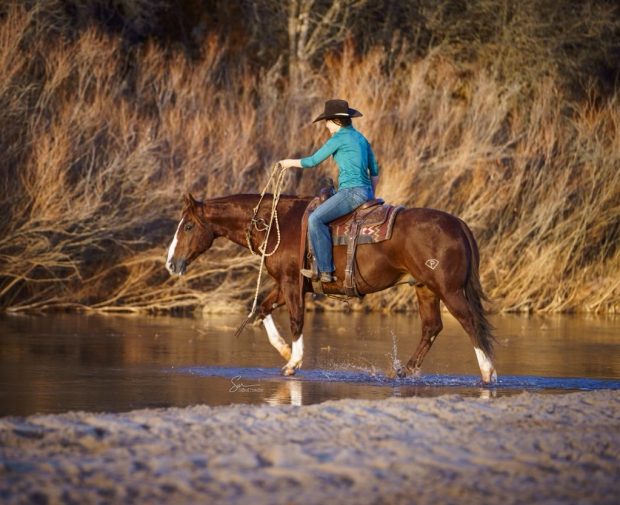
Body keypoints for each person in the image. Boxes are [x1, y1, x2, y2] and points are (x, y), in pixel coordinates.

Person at [279, 99, 380, 283]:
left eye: (327, 121)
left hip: (351, 192)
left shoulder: (339, 138)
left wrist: (288, 163)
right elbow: (374, 170)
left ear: (336, 121)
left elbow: (312, 161)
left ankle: (325, 270)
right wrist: (370, 195)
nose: (325, 125)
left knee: (315, 219)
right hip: (365, 192)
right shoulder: (361, 138)